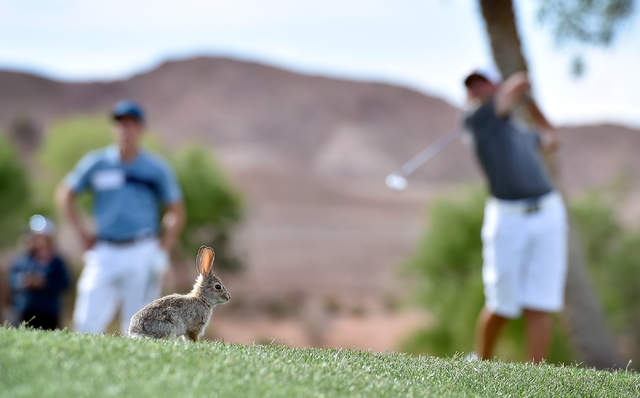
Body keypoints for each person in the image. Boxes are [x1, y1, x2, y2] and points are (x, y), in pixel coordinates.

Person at [463, 67, 567, 363]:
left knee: (541, 302)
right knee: (501, 302)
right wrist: (518, 90)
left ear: (493, 85)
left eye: (483, 85)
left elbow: (552, 138)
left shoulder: (520, 131)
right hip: (508, 218)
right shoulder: (476, 120)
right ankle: (480, 363)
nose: (478, 91)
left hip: (548, 213)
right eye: (473, 89)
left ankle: (534, 376)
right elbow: (520, 81)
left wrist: (531, 103)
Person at [56, 99, 186, 335]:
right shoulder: (97, 164)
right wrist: (82, 234)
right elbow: (65, 195)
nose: (125, 130)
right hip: (104, 250)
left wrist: (163, 249)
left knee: (138, 326)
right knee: (86, 321)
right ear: (114, 129)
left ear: (140, 129)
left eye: (131, 124)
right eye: (120, 124)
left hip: (142, 249)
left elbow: (176, 211)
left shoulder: (156, 169)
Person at [9, 215, 70, 330]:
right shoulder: (23, 259)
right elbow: (12, 280)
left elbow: (65, 283)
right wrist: (23, 281)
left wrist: (45, 282)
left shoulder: (56, 261)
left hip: (49, 312)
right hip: (24, 310)